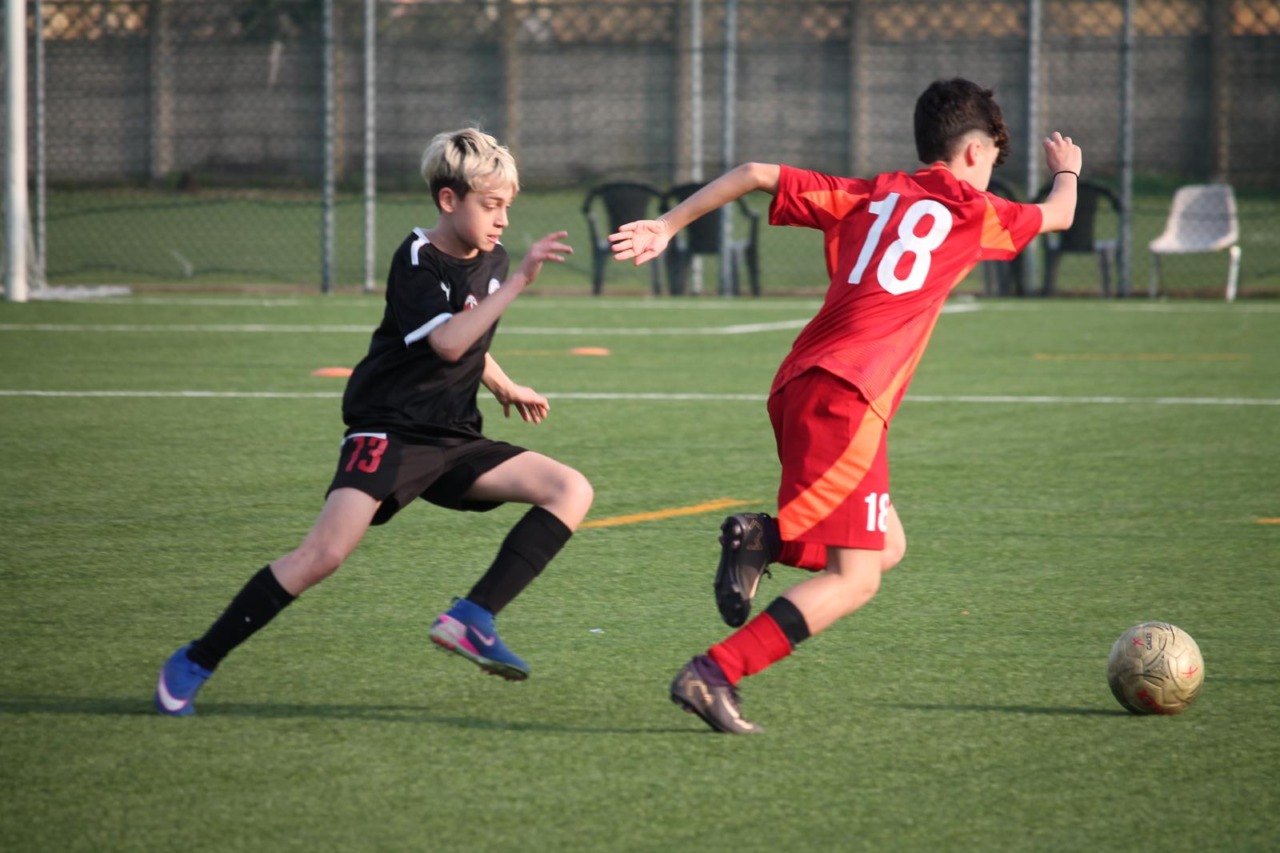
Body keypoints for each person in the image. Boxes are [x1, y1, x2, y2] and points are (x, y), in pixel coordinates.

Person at [610, 78, 1081, 734]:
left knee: (887, 544)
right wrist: (1067, 171)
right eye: (993, 161)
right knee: (856, 577)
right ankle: (715, 671)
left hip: (800, 380)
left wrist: (665, 224)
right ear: (977, 153)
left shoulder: (873, 192)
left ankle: (761, 539)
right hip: (849, 398)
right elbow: (1059, 213)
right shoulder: (977, 211)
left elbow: (753, 172)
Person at [155, 127, 593, 716]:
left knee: (569, 489)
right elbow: (445, 341)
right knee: (324, 555)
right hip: (389, 430)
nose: (503, 221)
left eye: (507, 207)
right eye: (491, 206)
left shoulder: (492, 258)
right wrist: (518, 284)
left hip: (454, 436)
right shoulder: (417, 259)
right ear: (448, 200)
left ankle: (473, 616)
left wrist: (504, 384)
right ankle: (196, 659)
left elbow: (471, 337)